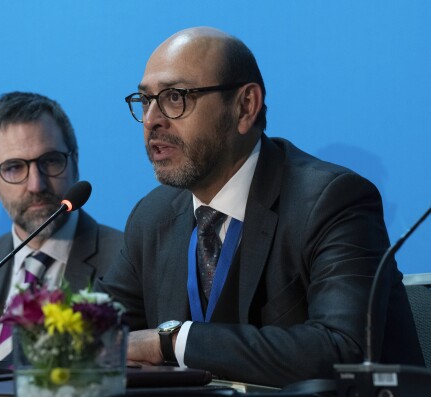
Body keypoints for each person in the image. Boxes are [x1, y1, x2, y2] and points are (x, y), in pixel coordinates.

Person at [96, 27, 424, 387]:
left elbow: (343, 350)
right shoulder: (153, 215)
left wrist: (171, 341)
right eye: (145, 101)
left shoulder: (332, 200)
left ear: (245, 106)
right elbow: (100, 331)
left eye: (175, 97)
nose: (152, 120)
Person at [0, 92, 123, 363]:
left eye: (50, 161)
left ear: (74, 163)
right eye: (14, 168)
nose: (36, 185)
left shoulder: (124, 259)